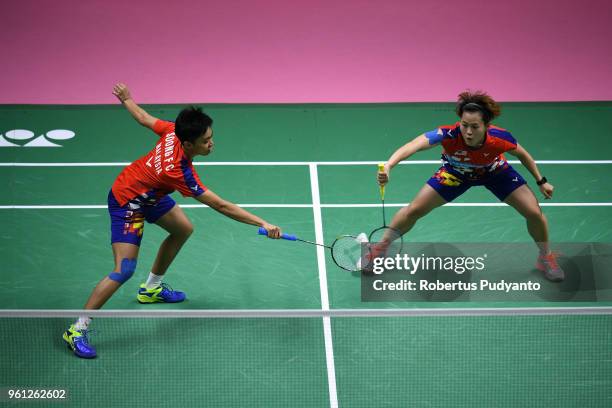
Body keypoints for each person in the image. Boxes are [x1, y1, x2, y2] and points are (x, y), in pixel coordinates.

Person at [63, 83, 282, 358]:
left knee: (182, 229)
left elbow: (144, 118)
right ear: (189, 143)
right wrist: (262, 222)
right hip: (128, 202)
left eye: (211, 136)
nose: (212, 143)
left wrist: (127, 99)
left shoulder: (172, 131)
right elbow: (220, 205)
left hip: (151, 192)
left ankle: (151, 289)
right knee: (124, 270)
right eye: (206, 141)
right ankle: (77, 329)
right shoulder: (178, 171)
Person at [376, 90, 564, 282]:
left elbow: (523, 155)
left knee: (533, 212)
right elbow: (414, 144)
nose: (468, 132)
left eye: (474, 127)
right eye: (464, 125)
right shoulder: (448, 133)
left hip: (495, 172)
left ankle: (545, 257)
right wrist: (390, 165)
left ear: (486, 126)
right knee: (414, 209)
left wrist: (541, 181)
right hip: (456, 173)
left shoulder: (500, 138)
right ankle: (379, 249)